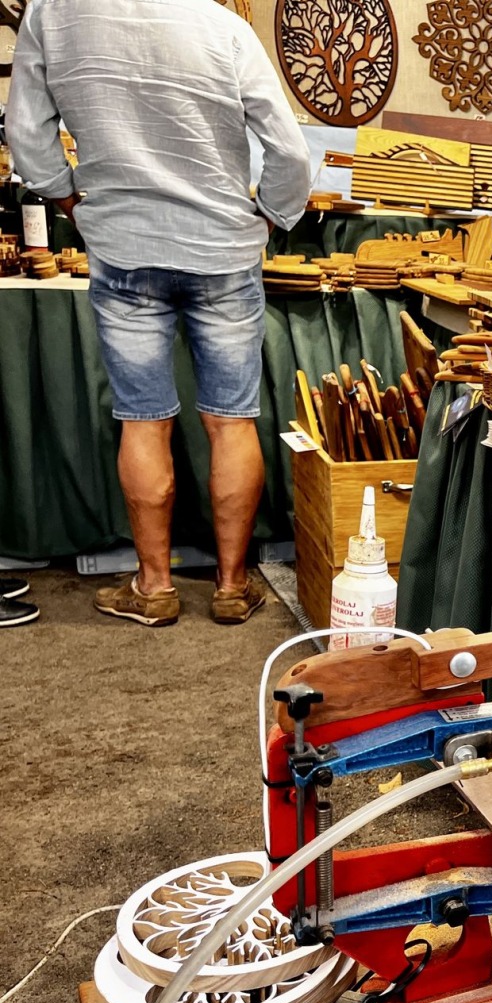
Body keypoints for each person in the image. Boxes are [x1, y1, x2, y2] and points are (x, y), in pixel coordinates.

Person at [9, 0, 311, 626]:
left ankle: (153, 588)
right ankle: (232, 587)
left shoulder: (53, 15)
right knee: (231, 420)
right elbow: (288, 151)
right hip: (223, 249)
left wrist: (67, 200)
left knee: (144, 421)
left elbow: (27, 131)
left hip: (124, 244)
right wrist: (271, 218)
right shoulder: (225, 28)